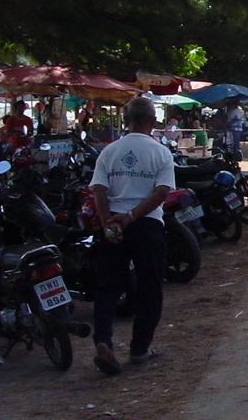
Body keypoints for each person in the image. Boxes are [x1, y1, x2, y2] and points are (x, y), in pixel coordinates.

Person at [89, 96, 175, 375]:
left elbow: (99, 190)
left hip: (113, 223)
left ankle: (103, 341)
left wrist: (107, 224)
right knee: (150, 287)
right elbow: (162, 193)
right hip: (146, 224)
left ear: (127, 121)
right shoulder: (160, 152)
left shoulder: (109, 151)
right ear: (152, 121)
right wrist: (133, 216)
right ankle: (139, 349)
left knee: (107, 286)